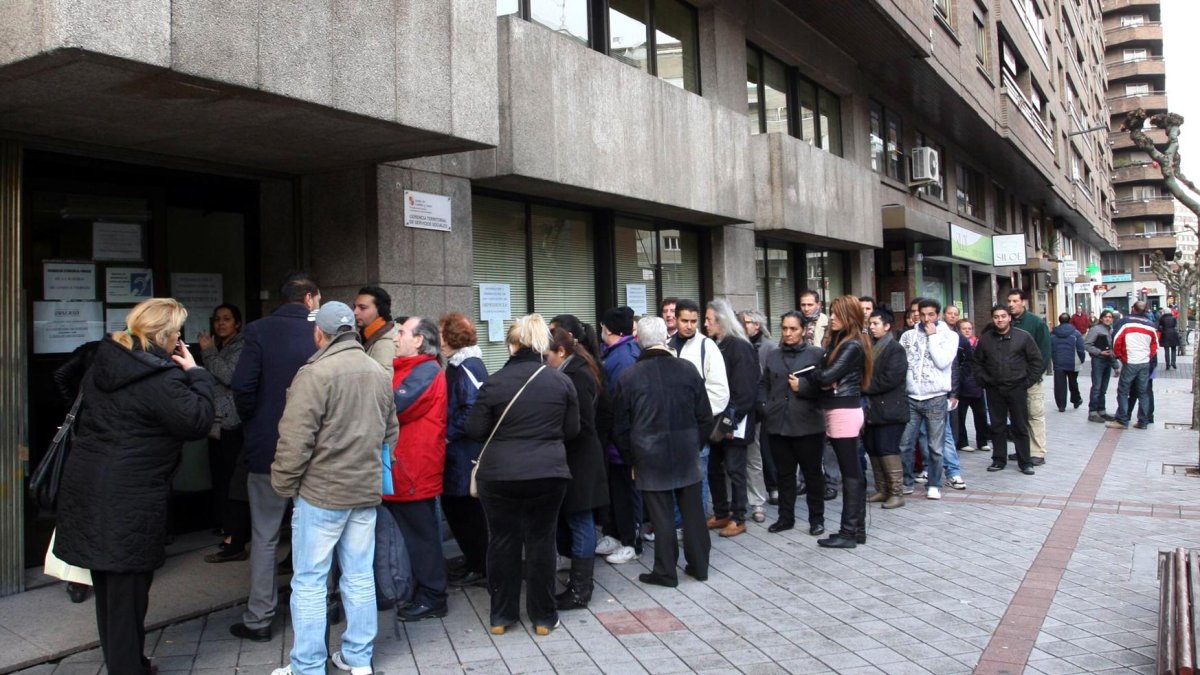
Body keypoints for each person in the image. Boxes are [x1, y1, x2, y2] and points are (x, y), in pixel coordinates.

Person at [54, 299, 215, 674]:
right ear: (165, 336)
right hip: (129, 495)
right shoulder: (160, 378)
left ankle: (126, 663)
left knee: (110, 594)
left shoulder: (105, 361)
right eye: (177, 333)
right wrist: (197, 373)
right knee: (128, 596)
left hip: (89, 486)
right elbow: (197, 420)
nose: (180, 339)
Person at [270, 301, 397, 675]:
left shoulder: (315, 373)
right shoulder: (377, 371)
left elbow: (295, 439)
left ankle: (308, 666)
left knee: (310, 582)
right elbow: (390, 432)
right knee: (359, 576)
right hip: (364, 490)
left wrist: (284, 484)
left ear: (319, 334)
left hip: (321, 493)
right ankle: (358, 659)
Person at [466, 314, 580, 636]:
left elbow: (474, 430)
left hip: (499, 474)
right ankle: (543, 617)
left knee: (502, 541)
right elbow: (572, 430)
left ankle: (501, 616)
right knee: (542, 541)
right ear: (542, 345)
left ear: (512, 345)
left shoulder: (494, 382)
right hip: (548, 472)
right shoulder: (561, 381)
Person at [230, 274, 321, 642]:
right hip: (315, 450)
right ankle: (322, 606)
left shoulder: (259, 330)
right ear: (310, 298)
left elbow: (242, 385)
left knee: (265, 536)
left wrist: (256, 421)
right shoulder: (322, 332)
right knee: (317, 533)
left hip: (268, 446)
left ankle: (259, 618)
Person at [612, 317, 712, 587]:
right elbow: (705, 415)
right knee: (693, 512)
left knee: (661, 515)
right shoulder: (687, 369)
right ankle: (699, 565)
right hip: (686, 450)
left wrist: (631, 457)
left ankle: (666, 571)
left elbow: (620, 426)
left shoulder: (630, 376)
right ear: (665, 338)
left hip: (648, 453)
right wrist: (695, 443)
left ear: (638, 341)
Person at [386, 316, 449, 621]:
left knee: (421, 538)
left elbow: (393, 408)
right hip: (407, 468)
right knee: (414, 536)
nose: (395, 338)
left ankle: (433, 596)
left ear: (419, 340)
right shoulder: (412, 369)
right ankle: (422, 592)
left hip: (413, 470)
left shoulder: (425, 371)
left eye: (401, 333)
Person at [545, 320, 608, 610]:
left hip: (580, 459)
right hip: (578, 458)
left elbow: (581, 423)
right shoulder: (574, 369)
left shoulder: (577, 375)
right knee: (577, 518)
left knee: (581, 520)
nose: (545, 361)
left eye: (547, 355)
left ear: (561, 351)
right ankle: (578, 580)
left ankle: (581, 588)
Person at [802, 296, 872, 548]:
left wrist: (815, 375)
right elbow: (826, 376)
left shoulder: (851, 344)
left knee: (850, 473)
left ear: (850, 317)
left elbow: (825, 375)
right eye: (831, 312)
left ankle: (849, 532)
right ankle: (856, 530)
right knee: (852, 472)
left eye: (837, 313)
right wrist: (822, 377)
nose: (831, 317)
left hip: (843, 410)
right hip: (841, 408)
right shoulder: (845, 341)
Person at [758, 311, 826, 533]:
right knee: (784, 475)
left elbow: (826, 387)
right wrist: (764, 406)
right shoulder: (773, 355)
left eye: (793, 329)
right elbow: (764, 384)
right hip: (778, 424)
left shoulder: (817, 355)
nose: (788, 333)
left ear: (804, 330)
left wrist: (804, 387)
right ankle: (785, 517)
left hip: (808, 425)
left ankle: (817, 519)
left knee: (812, 475)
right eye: (785, 328)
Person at [439, 312, 490, 588]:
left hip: (462, 451)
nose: (438, 338)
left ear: (451, 337)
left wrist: (447, 435)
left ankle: (479, 564)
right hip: (463, 449)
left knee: (464, 509)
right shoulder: (465, 364)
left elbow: (470, 409)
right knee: (463, 508)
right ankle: (474, 560)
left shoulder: (465, 366)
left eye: (441, 333)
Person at [702, 299, 760, 537]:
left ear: (721, 321)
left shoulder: (739, 346)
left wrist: (729, 422)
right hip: (718, 418)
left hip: (734, 420)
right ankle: (721, 512)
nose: (705, 324)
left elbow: (745, 392)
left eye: (709, 319)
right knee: (714, 468)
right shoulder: (719, 344)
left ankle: (738, 517)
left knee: (735, 469)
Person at [198, 304, 250, 564]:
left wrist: (207, 351)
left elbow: (229, 376)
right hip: (216, 422)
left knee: (231, 479)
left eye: (227, 319)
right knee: (219, 476)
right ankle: (226, 526)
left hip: (232, 423)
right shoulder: (219, 347)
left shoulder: (241, 346)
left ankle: (235, 533)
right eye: (217, 319)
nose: (221, 324)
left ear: (237, 323)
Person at [670, 299, 730, 517]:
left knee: (698, 478)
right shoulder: (667, 345)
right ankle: (678, 523)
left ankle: (696, 524)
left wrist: (697, 414)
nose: (689, 326)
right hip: (671, 426)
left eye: (693, 321)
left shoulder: (707, 346)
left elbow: (720, 392)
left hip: (696, 426)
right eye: (684, 320)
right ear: (675, 319)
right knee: (674, 478)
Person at [51, 340, 100, 603]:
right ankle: (80, 576)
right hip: (103, 441)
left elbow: (61, 374)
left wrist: (76, 410)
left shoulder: (97, 348)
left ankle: (79, 578)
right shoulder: (127, 355)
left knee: (83, 504)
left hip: (89, 437)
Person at [898, 298, 958, 499]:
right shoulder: (908, 336)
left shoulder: (949, 336)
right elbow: (901, 364)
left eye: (931, 314)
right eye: (922, 314)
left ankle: (934, 483)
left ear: (938, 315)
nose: (925, 319)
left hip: (935, 397)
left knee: (935, 446)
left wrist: (932, 337)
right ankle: (906, 481)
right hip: (911, 397)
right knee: (905, 443)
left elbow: (942, 362)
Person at [595, 306, 642, 565]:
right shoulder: (614, 353)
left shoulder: (623, 358)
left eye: (603, 326)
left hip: (621, 441)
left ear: (610, 329)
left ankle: (631, 542)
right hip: (614, 441)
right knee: (616, 491)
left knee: (626, 493)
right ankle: (614, 534)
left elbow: (619, 403)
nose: (601, 329)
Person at [973, 305, 1043, 475]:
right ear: (993, 319)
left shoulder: (1023, 337)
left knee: (1020, 426)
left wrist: (1027, 382)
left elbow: (1036, 361)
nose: (1000, 320)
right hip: (994, 389)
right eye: (996, 317)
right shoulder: (986, 339)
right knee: (997, 426)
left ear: (1009, 318)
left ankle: (1025, 462)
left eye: (1003, 316)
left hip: (1017, 388)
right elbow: (977, 363)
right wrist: (984, 380)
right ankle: (998, 459)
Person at [863, 308, 908, 509]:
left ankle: (896, 493)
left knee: (887, 448)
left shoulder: (895, 349)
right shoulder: (869, 346)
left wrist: (863, 386)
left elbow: (891, 378)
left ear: (887, 326)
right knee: (873, 447)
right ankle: (882, 489)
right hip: (872, 409)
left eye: (876, 324)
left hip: (890, 409)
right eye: (870, 323)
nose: (871, 327)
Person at [739, 309, 779, 511]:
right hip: (746, 404)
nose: (743, 326)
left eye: (747, 322)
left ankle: (773, 487)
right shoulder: (739, 344)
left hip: (765, 404)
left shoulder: (769, 347)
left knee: (766, 449)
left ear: (757, 325)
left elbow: (774, 377)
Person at [1007, 289, 1050, 466]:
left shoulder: (1036, 323)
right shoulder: (1006, 321)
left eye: (1015, 301)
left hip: (1030, 379)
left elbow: (1044, 353)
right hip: (1011, 381)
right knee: (1017, 417)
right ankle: (1022, 449)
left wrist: (1033, 377)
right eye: (1009, 301)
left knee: (1034, 415)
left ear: (1023, 302)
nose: (1011, 304)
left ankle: (1037, 452)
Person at [1106, 301, 1159, 430]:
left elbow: (1116, 341)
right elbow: (1155, 345)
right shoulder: (1150, 325)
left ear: (1133, 309)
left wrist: (1120, 356)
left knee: (1123, 391)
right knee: (1143, 392)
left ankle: (1122, 420)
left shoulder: (1125, 322)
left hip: (1130, 361)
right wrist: (1148, 356)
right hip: (1144, 362)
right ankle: (1143, 421)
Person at [954, 319, 989, 454]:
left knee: (981, 415)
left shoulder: (978, 343)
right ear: (959, 330)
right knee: (961, 417)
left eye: (969, 328)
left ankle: (983, 441)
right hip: (962, 387)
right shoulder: (956, 343)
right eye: (964, 328)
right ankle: (963, 442)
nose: (968, 331)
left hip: (977, 385)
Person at [353, 286, 400, 376]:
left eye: (362, 308)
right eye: (355, 307)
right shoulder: (365, 335)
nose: (355, 312)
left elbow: (384, 380)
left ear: (380, 310)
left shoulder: (386, 343)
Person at [1085, 310, 1119, 423]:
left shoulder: (1111, 331)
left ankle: (1101, 410)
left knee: (1103, 388)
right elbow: (1087, 345)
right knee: (1097, 387)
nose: (1108, 319)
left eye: (1110, 317)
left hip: (1107, 361)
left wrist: (1115, 366)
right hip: (1098, 360)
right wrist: (1099, 352)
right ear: (1101, 318)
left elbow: (1111, 349)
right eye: (1106, 317)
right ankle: (1093, 411)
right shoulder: (1095, 329)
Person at [1050, 313, 1086, 412]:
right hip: (1073, 362)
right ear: (1069, 320)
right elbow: (1081, 349)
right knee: (1073, 382)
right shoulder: (1076, 333)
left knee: (1059, 385)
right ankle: (1076, 400)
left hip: (1058, 362)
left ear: (1059, 320)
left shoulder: (1053, 334)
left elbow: (1049, 347)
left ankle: (1061, 405)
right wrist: (1081, 359)